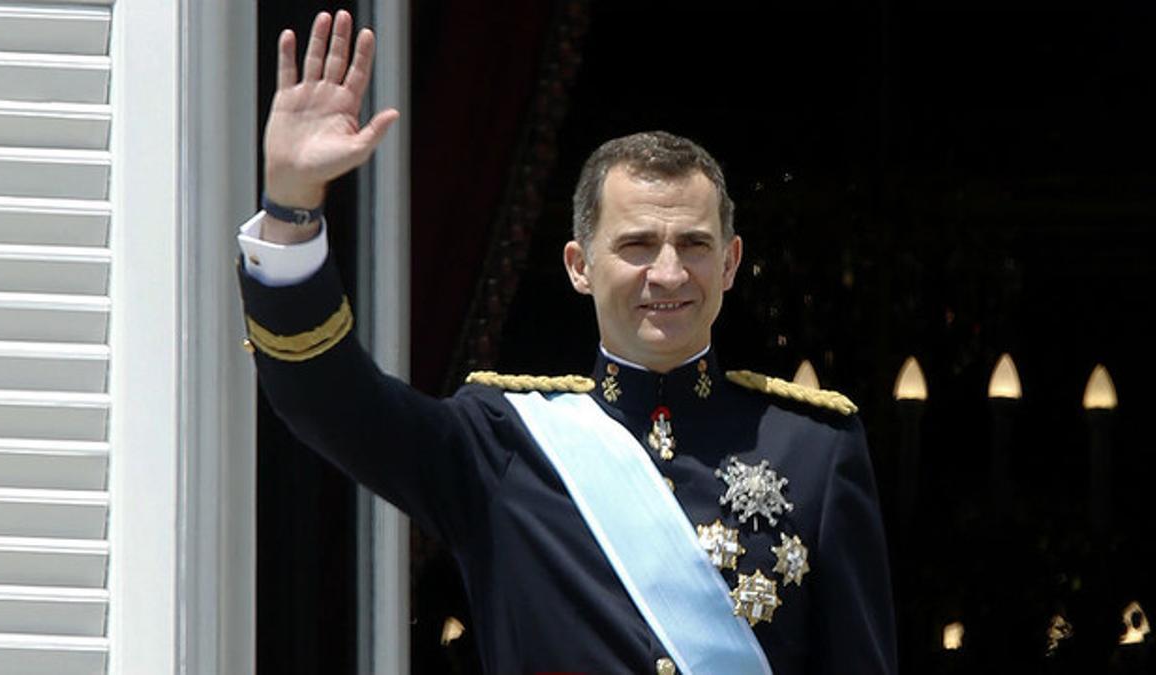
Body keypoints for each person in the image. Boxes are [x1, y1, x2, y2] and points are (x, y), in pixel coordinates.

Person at [237, 10, 897, 674]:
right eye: (638, 245)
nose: (668, 272)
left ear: (729, 263)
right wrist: (293, 204)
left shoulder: (816, 450)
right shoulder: (502, 443)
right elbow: (325, 396)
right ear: (579, 265)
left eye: (693, 245)